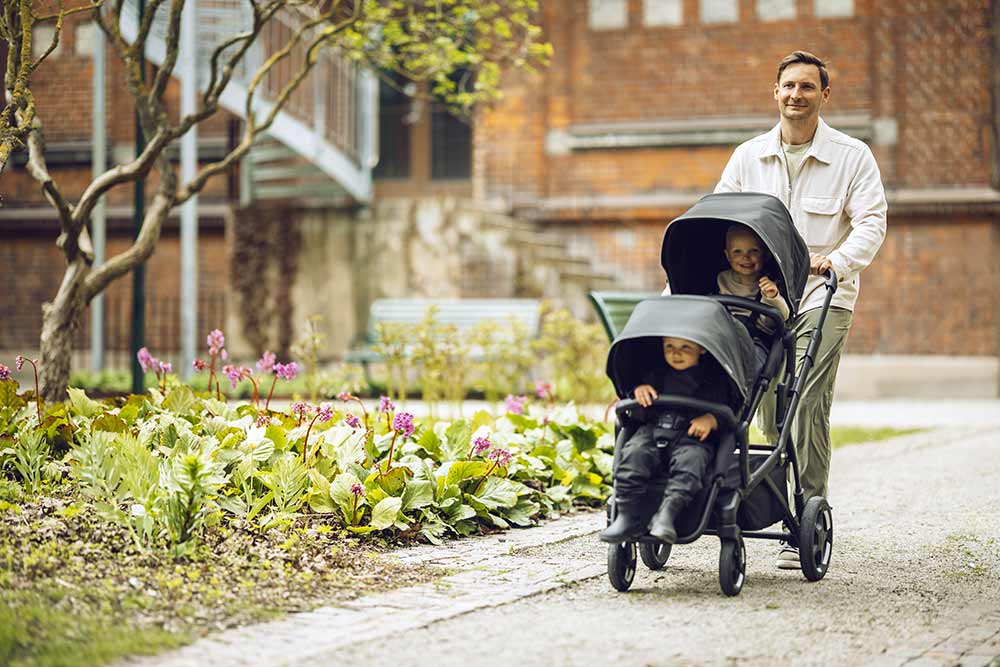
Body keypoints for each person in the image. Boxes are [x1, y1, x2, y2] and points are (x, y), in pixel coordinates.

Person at [714, 51, 887, 569]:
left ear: (824, 95)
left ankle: (808, 510)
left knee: (806, 397)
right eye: (788, 86)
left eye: (808, 87)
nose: (796, 95)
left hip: (821, 296)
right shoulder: (748, 157)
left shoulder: (852, 156)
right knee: (766, 401)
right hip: (759, 300)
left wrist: (837, 261)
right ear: (775, 92)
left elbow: (872, 221)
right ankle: (766, 500)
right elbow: (719, 213)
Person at [600, 336, 738, 545]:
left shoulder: (714, 378)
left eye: (685, 347)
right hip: (652, 430)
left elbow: (729, 408)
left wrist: (711, 419)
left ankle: (667, 513)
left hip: (692, 437)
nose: (676, 353)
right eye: (669, 347)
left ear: (702, 349)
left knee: (691, 462)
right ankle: (627, 516)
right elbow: (636, 397)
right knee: (633, 453)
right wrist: (638, 390)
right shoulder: (655, 372)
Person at [716, 224, 790, 370]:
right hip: (726, 338)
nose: (746, 257)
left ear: (766, 254)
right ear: (727, 255)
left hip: (757, 341)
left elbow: (782, 317)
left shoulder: (770, 284)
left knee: (751, 362)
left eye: (754, 251)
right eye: (737, 252)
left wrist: (773, 297)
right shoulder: (722, 279)